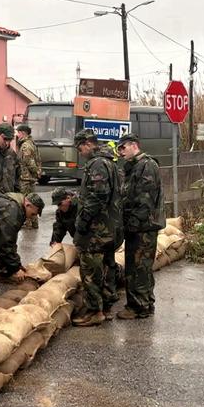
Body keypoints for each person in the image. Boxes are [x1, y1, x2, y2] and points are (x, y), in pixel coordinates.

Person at [71, 129, 122, 327]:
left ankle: (94, 311)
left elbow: (97, 196)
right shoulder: (110, 162)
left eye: (79, 148)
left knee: (91, 269)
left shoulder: (97, 164)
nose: (80, 152)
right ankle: (106, 306)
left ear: (87, 144)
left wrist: (82, 221)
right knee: (107, 265)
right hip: (110, 227)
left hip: (97, 229)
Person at [116, 133, 165, 319]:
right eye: (118, 148)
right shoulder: (133, 167)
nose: (120, 152)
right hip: (136, 226)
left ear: (134, 145)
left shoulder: (147, 165)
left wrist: (132, 224)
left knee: (140, 268)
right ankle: (142, 303)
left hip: (143, 227)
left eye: (123, 147)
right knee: (137, 267)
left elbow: (145, 200)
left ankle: (140, 307)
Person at [0, 192, 45, 284]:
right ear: (28, 205)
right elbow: (5, 243)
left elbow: (8, 239)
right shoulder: (12, 211)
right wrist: (16, 268)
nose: (32, 217)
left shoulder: (14, 201)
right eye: (33, 214)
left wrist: (17, 265)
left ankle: (5, 273)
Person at [16, 124, 42, 229]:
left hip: (25, 178)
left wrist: (35, 172)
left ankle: (28, 223)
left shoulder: (25, 145)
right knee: (32, 201)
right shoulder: (32, 143)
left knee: (26, 202)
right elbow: (38, 159)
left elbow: (29, 161)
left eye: (18, 132)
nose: (17, 135)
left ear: (22, 133)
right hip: (30, 178)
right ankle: (34, 223)